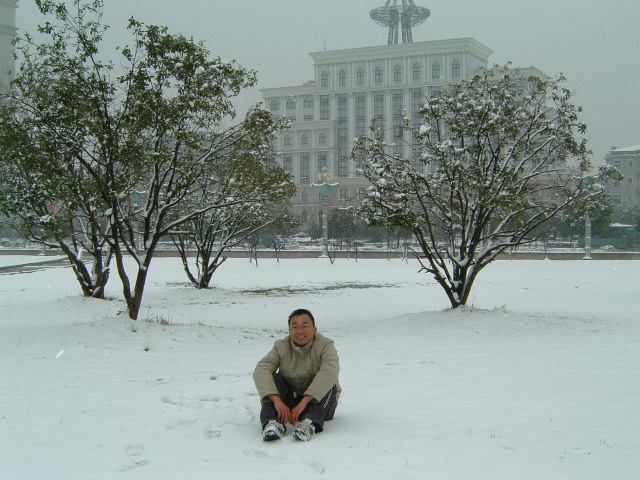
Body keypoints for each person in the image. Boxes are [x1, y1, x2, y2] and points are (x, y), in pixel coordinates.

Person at [253, 308, 340, 441]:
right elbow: (261, 369)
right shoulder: (281, 346)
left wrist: (305, 401)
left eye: (305, 326)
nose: (300, 331)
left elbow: (330, 371)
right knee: (274, 378)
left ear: (314, 329)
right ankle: (273, 423)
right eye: (295, 327)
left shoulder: (325, 345)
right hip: (290, 403)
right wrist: (276, 399)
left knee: (328, 381)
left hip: (320, 405)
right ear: (289, 330)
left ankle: (309, 424)